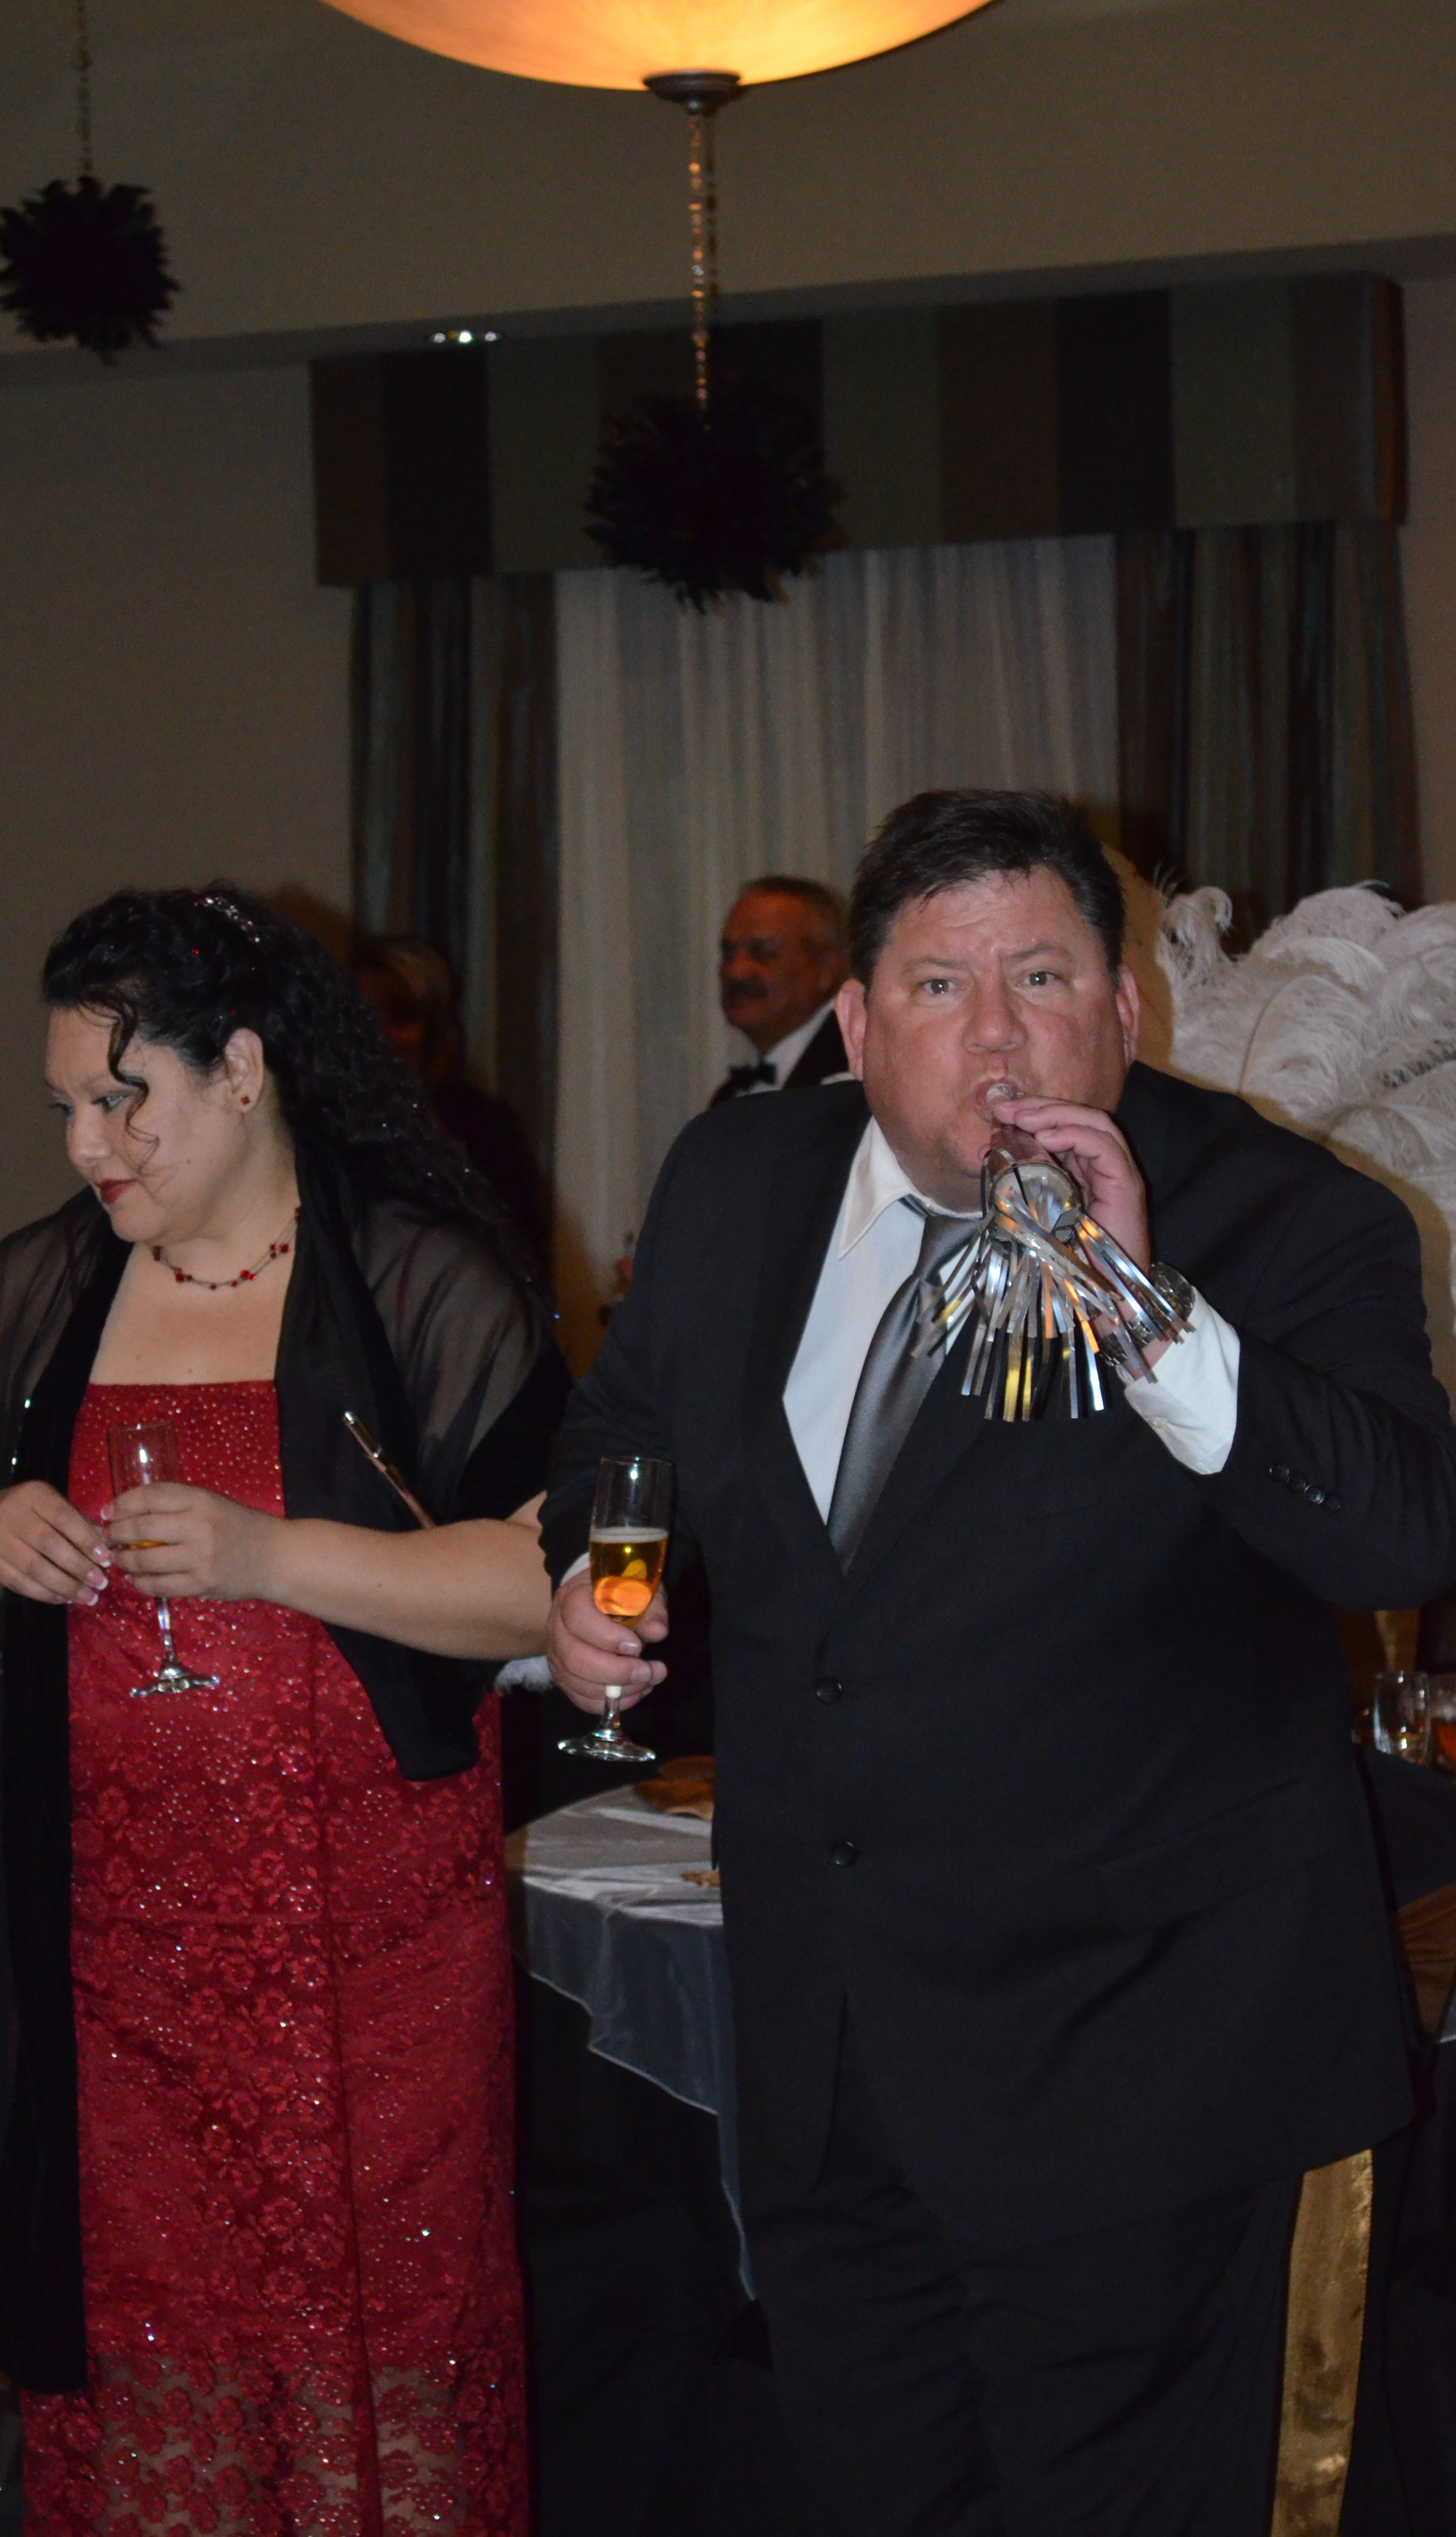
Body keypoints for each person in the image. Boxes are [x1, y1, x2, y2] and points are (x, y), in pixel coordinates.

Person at [541, 790, 1456, 2534]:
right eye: (940, 985)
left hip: (1149, 2081)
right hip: (828, 2067)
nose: (996, 1035)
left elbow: (1403, 1534)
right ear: (855, 1021)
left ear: (1124, 1006)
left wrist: (1142, 1303)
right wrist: (591, 1579)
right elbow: (620, 1439)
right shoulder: (737, 1183)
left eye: (1040, 977)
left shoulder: (1279, 1215)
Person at [0, 883, 566, 2537]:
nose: (87, 1149)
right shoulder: (44, 1290)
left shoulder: (413, 1278)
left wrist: (274, 1556)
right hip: (108, 1960)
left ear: (243, 1070)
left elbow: (553, 1585)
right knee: (149, 2361)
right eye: (66, 1109)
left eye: (125, 1101)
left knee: (374, 2365)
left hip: (376, 1955)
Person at [353, 934, 552, 1278]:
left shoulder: (482, 1128)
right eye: (368, 1018)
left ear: (433, 1030)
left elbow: (523, 1259)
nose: (383, 1036)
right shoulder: (317, 1125)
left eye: (400, 1018)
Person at [710, 876, 850, 1105]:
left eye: (762, 952)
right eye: (729, 953)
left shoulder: (856, 1077)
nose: (736, 971)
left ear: (826, 969)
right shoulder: (728, 1096)